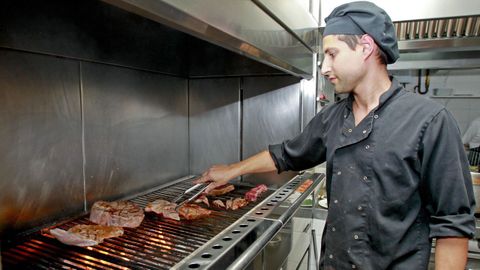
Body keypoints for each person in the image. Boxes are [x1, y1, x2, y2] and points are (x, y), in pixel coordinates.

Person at [196, 1, 475, 269]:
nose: (324, 68)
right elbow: (285, 154)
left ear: (366, 47)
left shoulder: (430, 121)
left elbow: (452, 225)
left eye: (332, 54)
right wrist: (231, 170)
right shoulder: (332, 118)